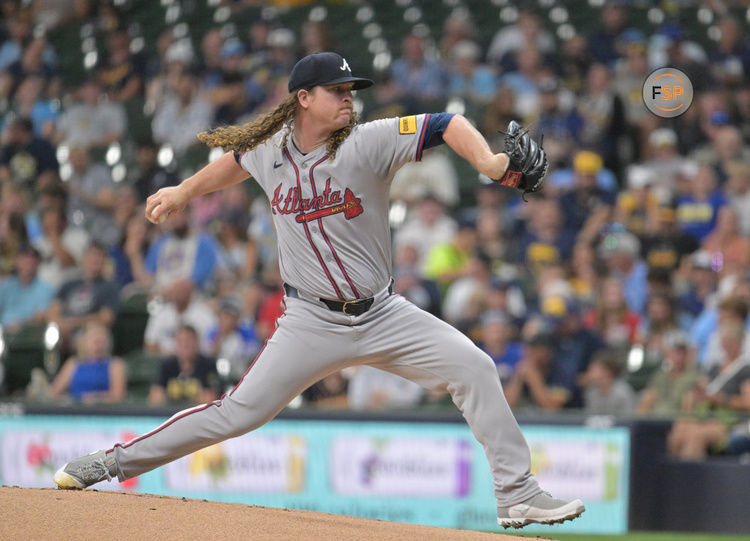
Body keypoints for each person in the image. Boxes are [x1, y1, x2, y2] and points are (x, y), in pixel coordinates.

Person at [54, 51, 584, 528]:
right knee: (236, 413)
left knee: (475, 368)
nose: (349, 100)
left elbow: (444, 124)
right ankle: (112, 462)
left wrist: (490, 162)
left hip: (382, 313)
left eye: (352, 91)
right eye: (338, 91)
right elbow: (234, 163)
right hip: (310, 321)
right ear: (304, 99)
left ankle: (517, 493)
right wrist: (184, 191)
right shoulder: (270, 150)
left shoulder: (367, 142)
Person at [50, 321, 126, 404]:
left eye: (102, 340)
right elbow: (54, 393)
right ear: (83, 342)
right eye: (95, 340)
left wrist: (93, 399)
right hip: (75, 410)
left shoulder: (115, 364)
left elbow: (118, 396)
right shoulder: (73, 363)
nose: (99, 345)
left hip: (104, 411)